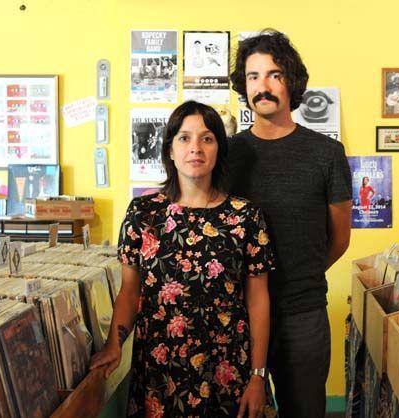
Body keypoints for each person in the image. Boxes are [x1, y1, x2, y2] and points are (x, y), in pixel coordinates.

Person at [90, 100, 276, 418]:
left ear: (219, 149)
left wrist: (258, 377)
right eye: (184, 138)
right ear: (170, 150)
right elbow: (130, 291)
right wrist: (113, 344)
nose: (196, 148)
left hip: (228, 370)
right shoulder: (143, 214)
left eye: (207, 138)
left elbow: (258, 299)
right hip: (159, 374)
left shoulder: (246, 216)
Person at [228, 30, 352, 418]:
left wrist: (301, 276)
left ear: (292, 82)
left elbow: (339, 239)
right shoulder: (228, 154)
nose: (261, 87)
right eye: (252, 76)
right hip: (236, 316)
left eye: (273, 75)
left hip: (303, 316)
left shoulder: (326, 154)